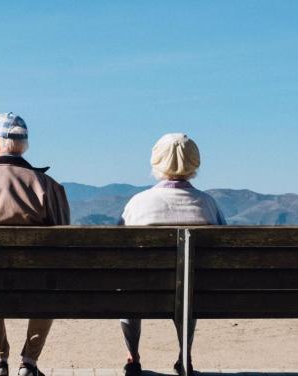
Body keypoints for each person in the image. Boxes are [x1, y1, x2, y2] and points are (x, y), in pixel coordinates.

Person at [0, 112, 70, 376]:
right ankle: (28, 363)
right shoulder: (48, 186)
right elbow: (65, 244)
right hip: (38, 287)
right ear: (23, 145)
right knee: (50, 279)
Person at [118, 133, 226, 376]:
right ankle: (184, 355)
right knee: (189, 286)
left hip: (142, 293)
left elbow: (117, 250)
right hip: (196, 295)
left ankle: (132, 357)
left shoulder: (138, 203)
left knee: (128, 285)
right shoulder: (208, 204)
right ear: (195, 163)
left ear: (156, 162)